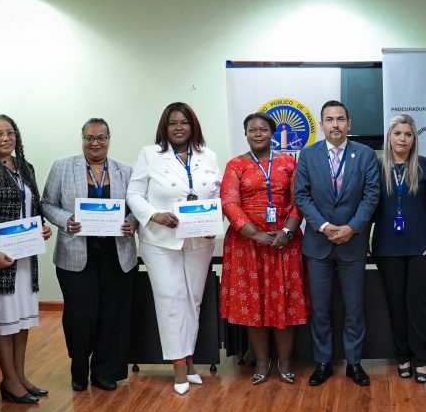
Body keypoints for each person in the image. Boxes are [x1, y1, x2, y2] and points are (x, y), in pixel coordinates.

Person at [127, 102, 221, 395]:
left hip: (199, 240)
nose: (178, 128)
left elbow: (216, 193)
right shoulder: (149, 155)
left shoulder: (209, 156)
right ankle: (179, 366)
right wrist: (153, 215)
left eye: (184, 122)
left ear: (193, 126)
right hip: (159, 240)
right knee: (170, 299)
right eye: (172, 123)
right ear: (164, 128)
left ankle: (190, 360)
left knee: (192, 300)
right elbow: (134, 193)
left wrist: (212, 223)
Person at [41, 118, 138, 392]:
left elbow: (137, 208)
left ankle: (105, 371)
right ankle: (79, 367)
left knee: (112, 314)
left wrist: (132, 223)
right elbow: (46, 203)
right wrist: (65, 220)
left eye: (101, 137)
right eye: (89, 138)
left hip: (117, 253)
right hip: (76, 254)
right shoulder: (62, 167)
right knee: (80, 316)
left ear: (109, 139)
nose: (95, 143)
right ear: (81, 139)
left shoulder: (125, 171)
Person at [294, 100, 380, 387]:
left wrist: (352, 228)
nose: (335, 125)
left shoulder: (366, 155)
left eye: (340, 119)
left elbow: (371, 195)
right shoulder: (307, 155)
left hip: (352, 244)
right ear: (321, 124)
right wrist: (325, 226)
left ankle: (354, 363)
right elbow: (302, 196)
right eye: (329, 120)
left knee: (354, 307)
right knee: (320, 308)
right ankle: (323, 362)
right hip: (318, 245)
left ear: (349, 123)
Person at [0, 115, 52, 405]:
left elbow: (35, 206)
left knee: (22, 321)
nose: (6, 138)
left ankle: (20, 376)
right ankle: (9, 382)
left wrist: (42, 226)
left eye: (10, 132)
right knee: (4, 322)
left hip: (26, 256)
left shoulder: (24, 167)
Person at [221, 112, 308, 385]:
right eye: (252, 130)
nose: (258, 134)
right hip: (247, 244)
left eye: (263, 130)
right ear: (245, 134)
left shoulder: (288, 163)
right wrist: (256, 234)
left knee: (285, 302)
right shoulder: (235, 165)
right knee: (253, 303)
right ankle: (261, 361)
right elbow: (229, 203)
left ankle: (284, 362)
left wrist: (287, 231)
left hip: (284, 242)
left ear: (272, 133)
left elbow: (299, 200)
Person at [372, 114, 426, 384]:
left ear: (415, 139)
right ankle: (402, 356)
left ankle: (421, 359)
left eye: (408, 134)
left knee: (419, 304)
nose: (402, 139)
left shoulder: (425, 166)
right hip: (386, 247)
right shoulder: (377, 167)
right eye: (397, 133)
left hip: (422, 246)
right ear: (389, 136)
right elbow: (369, 206)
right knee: (396, 304)